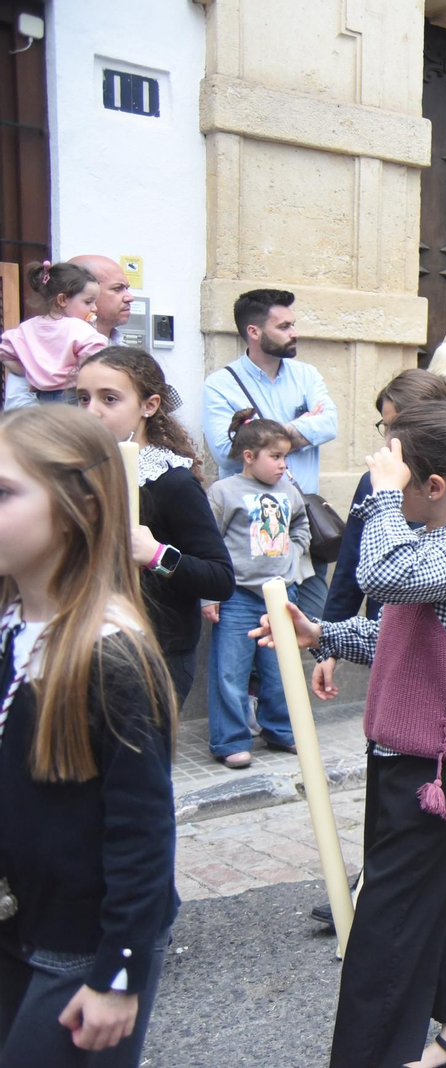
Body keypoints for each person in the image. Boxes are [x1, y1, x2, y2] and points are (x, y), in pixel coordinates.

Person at [252, 402, 446, 1068]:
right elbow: (397, 633)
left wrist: (378, 501)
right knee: (430, 899)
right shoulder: (435, 547)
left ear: (432, 488)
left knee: (384, 928)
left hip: (441, 765)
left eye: (392, 471)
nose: (378, 487)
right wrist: (323, 633)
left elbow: (382, 576)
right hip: (409, 753)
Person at [0, 405, 179, 1068]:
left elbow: (142, 834)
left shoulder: (110, 657)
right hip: (21, 921)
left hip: (80, 946)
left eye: (4, 492)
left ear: (80, 509)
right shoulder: (15, 626)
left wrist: (119, 976)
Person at [76, 347, 235, 705]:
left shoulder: (171, 481)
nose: (91, 411)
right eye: (83, 398)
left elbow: (219, 577)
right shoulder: (79, 475)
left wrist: (157, 555)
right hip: (88, 646)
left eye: (109, 398)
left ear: (149, 406)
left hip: (155, 654)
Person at [202, 289, 338, 619]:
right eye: (284, 327)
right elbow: (226, 452)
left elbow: (329, 424)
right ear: (254, 331)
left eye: (293, 324)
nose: (295, 333)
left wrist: (263, 436)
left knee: (309, 626)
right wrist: (300, 427)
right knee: (257, 638)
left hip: (302, 524)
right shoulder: (221, 385)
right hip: (253, 532)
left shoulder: (307, 374)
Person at [204, 410, 310, 768]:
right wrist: (210, 594)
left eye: (286, 457)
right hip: (237, 597)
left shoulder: (289, 490)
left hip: (281, 596)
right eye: (276, 457)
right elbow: (207, 544)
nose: (283, 465)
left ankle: (281, 730)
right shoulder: (224, 492)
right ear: (249, 457)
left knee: (281, 669)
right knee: (230, 671)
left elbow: (301, 525)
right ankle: (230, 740)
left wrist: (293, 556)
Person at [322, 369, 446, 627]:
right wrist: (330, 639)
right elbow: (352, 563)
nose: (391, 438)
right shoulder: (373, 481)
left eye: (399, 426)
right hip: (384, 629)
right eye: (386, 426)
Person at [2, 261, 106, 409]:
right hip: (71, 395)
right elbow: (94, 361)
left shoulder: (26, 328)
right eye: (88, 302)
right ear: (62, 300)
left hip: (39, 395)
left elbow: (6, 354)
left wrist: (31, 373)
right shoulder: (80, 328)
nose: (94, 308)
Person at [67, 256, 136, 346]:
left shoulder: (127, 354)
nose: (130, 298)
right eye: (117, 288)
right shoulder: (53, 353)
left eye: (127, 288)